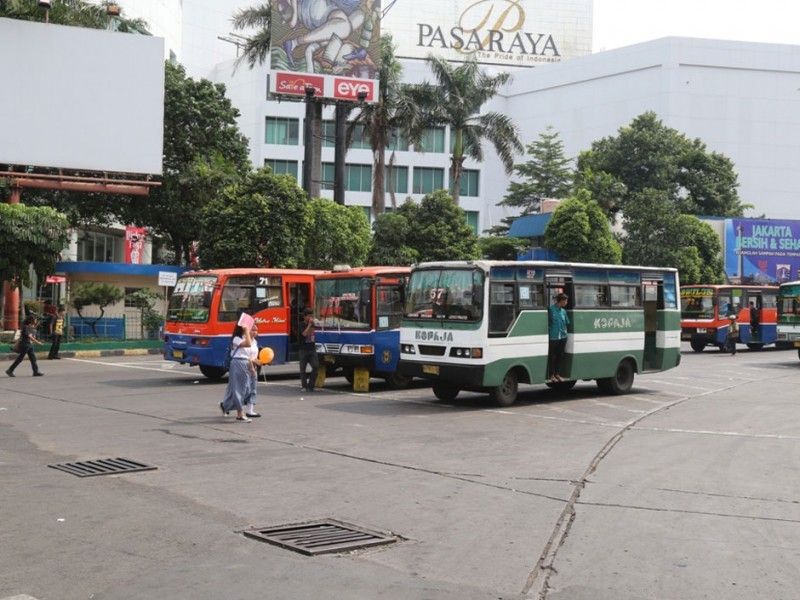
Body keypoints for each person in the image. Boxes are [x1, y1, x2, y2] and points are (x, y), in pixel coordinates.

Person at [219, 323, 254, 422]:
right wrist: (247, 331)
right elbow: (248, 344)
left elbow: (249, 352)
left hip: (245, 363)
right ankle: (240, 414)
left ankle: (225, 405)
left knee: (246, 388)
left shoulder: (244, 337)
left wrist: (251, 367)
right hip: (238, 362)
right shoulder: (236, 339)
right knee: (239, 389)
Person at [547, 293, 570, 382]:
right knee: (552, 356)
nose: (566, 302)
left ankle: (557, 374)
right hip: (553, 337)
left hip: (563, 337)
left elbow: (567, 322)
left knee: (560, 356)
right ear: (561, 301)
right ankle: (551, 375)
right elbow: (548, 323)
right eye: (566, 301)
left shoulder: (563, 311)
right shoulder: (551, 310)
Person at [243, 324, 261, 418]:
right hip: (245, 367)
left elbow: (254, 357)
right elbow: (247, 357)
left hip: (253, 366)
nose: (255, 332)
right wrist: (252, 368)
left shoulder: (255, 342)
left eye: (256, 330)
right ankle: (226, 405)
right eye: (253, 330)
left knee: (253, 389)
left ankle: (250, 411)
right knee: (244, 389)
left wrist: (260, 362)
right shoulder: (246, 341)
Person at [299, 307, 319, 392]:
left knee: (316, 366)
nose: (310, 318)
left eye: (312, 316)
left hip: (312, 348)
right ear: (304, 317)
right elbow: (304, 334)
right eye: (309, 316)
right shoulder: (301, 325)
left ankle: (311, 385)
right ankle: (304, 386)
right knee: (303, 369)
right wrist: (309, 325)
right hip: (303, 349)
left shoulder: (314, 324)